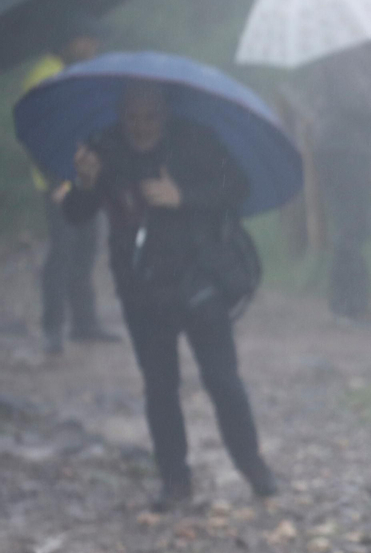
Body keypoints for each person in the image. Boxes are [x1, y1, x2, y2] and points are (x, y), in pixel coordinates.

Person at [62, 81, 276, 511]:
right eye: (132, 118)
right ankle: (174, 480)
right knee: (160, 386)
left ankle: (253, 467)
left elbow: (237, 190)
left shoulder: (195, 141)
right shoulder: (105, 150)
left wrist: (183, 198)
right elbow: (76, 214)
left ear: (165, 113)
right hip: (140, 287)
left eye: (150, 118)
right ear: (121, 115)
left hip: (199, 279)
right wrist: (84, 184)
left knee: (222, 380)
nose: (141, 127)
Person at [18, 21, 118, 353]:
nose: (94, 47)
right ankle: (53, 327)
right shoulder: (45, 74)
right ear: (72, 40)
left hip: (81, 177)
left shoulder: (69, 70)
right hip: (58, 181)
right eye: (89, 39)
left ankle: (84, 322)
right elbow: (36, 134)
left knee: (86, 247)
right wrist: (55, 181)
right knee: (62, 251)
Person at [308, 44, 371, 321]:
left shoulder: (338, 53)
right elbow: (359, 102)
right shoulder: (344, 53)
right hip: (345, 147)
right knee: (352, 225)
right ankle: (351, 304)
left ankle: (346, 301)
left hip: (339, 145)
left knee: (350, 225)